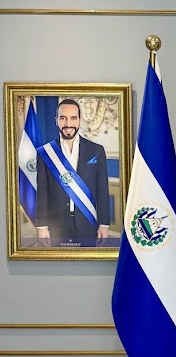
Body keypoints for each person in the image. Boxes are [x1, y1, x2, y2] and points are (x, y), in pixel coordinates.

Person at [35, 99, 110, 247]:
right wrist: (41, 226)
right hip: (56, 225)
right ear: (56, 120)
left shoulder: (97, 151)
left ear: (80, 120)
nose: (68, 124)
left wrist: (105, 224)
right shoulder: (45, 153)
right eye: (63, 118)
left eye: (73, 118)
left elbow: (102, 190)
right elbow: (42, 192)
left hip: (87, 222)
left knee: (86, 267)